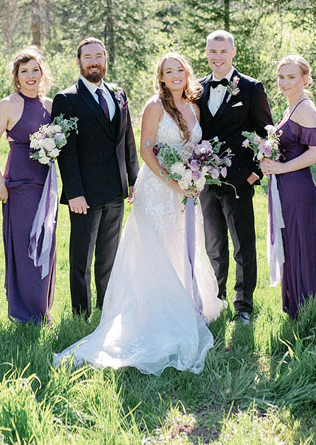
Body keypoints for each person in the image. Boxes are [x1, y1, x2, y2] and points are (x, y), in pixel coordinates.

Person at [54, 53, 225, 374]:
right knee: (155, 249)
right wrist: (174, 183)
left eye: (179, 70)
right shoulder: (154, 107)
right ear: (161, 78)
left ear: (187, 74)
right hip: (159, 191)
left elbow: (196, 150)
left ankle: (184, 301)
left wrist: (196, 176)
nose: (174, 75)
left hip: (187, 193)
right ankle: (153, 309)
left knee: (181, 244)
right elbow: (146, 149)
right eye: (168, 71)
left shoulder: (195, 108)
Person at [51, 38, 140, 318]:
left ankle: (106, 308)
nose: (94, 62)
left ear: (106, 59)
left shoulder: (118, 93)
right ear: (78, 62)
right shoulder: (66, 99)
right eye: (88, 57)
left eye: (99, 56)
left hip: (115, 190)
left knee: (108, 257)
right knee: (81, 258)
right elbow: (65, 152)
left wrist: (133, 180)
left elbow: (127, 140)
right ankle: (81, 313)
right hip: (85, 195)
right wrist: (74, 192)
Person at [197, 30, 273, 324]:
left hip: (239, 181)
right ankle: (217, 301)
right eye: (212, 52)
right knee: (213, 245)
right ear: (206, 53)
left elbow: (267, 135)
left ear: (233, 52)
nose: (217, 57)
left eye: (222, 51)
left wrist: (255, 174)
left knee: (243, 244)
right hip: (205, 181)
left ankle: (244, 305)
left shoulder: (252, 88)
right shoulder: (198, 88)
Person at [0, 47, 57, 323]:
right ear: (16, 76)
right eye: (24, 71)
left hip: (46, 184)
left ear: (42, 74)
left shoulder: (51, 105)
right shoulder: (8, 105)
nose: (30, 76)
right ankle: (24, 312)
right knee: (25, 246)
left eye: (35, 70)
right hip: (20, 185)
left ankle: (42, 308)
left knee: (46, 243)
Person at [261, 56, 316, 318]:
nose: (285, 82)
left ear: (305, 79)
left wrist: (280, 167)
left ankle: (309, 308)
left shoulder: (305, 107)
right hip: (285, 186)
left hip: (298, 188)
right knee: (290, 243)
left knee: (302, 242)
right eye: (281, 77)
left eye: (291, 77)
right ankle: (296, 307)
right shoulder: (290, 107)